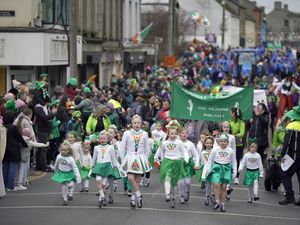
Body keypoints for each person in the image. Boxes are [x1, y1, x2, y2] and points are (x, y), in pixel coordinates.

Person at [119, 115, 151, 208]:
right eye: (134, 123)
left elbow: (146, 148)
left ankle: (133, 199)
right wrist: (121, 159)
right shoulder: (127, 133)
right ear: (131, 124)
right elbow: (122, 147)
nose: (136, 125)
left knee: (137, 180)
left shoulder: (144, 133)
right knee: (130, 178)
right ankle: (139, 195)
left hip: (140, 157)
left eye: (138, 123)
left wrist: (146, 159)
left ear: (141, 124)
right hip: (129, 157)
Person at [154, 126, 188, 208]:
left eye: (175, 134)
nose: (173, 135)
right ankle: (167, 195)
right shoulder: (164, 143)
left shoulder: (179, 142)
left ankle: (173, 198)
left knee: (174, 183)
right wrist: (157, 158)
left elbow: (184, 151)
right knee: (167, 177)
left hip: (176, 162)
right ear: (168, 134)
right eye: (172, 133)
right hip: (167, 161)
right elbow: (160, 151)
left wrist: (186, 159)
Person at [206, 133, 237, 212]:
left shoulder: (230, 151)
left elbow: (234, 161)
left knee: (224, 187)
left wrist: (235, 171)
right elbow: (210, 160)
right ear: (219, 142)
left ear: (227, 142)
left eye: (225, 141)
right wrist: (208, 169)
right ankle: (217, 201)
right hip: (217, 168)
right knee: (216, 184)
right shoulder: (215, 149)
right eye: (221, 141)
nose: (223, 143)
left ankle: (222, 204)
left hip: (226, 169)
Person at [91, 131, 119, 208]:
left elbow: (113, 157)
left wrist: (114, 166)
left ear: (107, 139)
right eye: (100, 138)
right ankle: (103, 195)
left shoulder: (110, 147)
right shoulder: (96, 147)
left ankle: (100, 199)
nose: (102, 140)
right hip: (99, 166)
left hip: (107, 166)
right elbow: (94, 158)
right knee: (98, 179)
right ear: (98, 139)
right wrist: (92, 165)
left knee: (103, 184)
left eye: (104, 138)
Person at [278, 105, 300, 206]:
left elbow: (286, 143)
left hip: (293, 155)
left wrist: (282, 155)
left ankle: (289, 196)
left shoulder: (291, 125)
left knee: (284, 174)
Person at [51, 141, 81, 206]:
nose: (63, 151)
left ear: (68, 151)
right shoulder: (59, 156)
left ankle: (70, 188)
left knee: (70, 185)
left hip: (69, 173)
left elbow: (75, 168)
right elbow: (56, 164)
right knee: (64, 186)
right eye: (62, 150)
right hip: (62, 173)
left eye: (65, 150)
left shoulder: (70, 159)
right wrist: (55, 170)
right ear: (60, 150)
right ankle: (65, 199)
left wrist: (78, 177)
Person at [178, 127, 199, 204]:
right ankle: (181, 196)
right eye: (182, 133)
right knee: (181, 182)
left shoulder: (190, 144)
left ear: (188, 134)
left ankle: (187, 192)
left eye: (186, 133)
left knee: (187, 182)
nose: (184, 134)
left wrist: (196, 163)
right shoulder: (177, 143)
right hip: (179, 164)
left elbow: (196, 154)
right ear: (179, 134)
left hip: (188, 165)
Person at [230, 107, 246, 185]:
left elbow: (242, 134)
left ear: (234, 113)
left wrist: (234, 135)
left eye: (231, 112)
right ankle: (230, 174)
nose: (230, 114)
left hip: (238, 144)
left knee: (237, 159)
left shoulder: (241, 123)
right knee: (229, 159)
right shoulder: (230, 122)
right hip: (230, 144)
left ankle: (236, 177)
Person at [200, 136, 214, 206]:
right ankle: (207, 197)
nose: (209, 144)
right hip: (206, 169)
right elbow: (202, 162)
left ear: (212, 144)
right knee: (208, 184)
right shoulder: (202, 152)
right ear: (205, 144)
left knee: (214, 184)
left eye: (210, 143)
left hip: (213, 169)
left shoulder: (214, 151)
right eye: (207, 143)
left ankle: (212, 196)